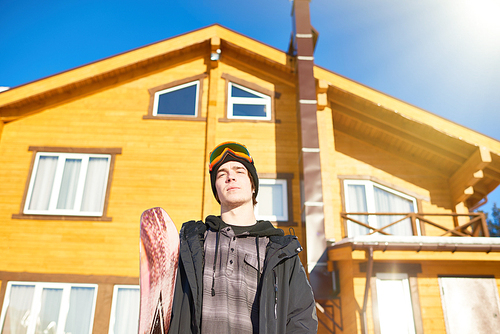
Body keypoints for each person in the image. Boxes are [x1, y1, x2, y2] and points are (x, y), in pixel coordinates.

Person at [168, 142, 318, 334]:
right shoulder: (194, 245)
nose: (230, 177)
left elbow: (302, 319)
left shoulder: (280, 253)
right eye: (222, 174)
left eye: (239, 171)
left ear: (253, 185)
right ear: (216, 190)